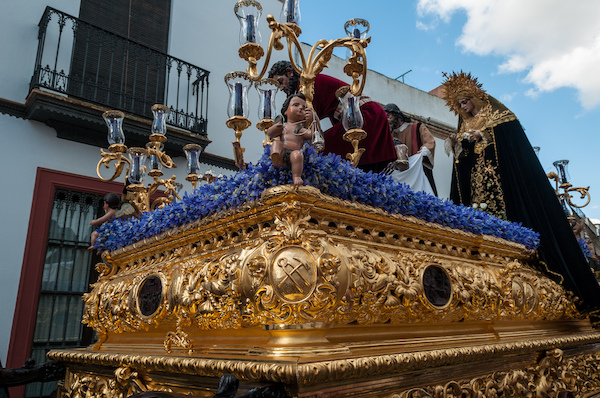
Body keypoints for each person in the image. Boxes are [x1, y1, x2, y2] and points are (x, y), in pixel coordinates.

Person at [441, 71, 600, 326]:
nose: (463, 108)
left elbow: (508, 144)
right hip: (478, 184)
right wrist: (458, 144)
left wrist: (485, 137)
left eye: (465, 101)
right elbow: (464, 159)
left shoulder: (497, 116)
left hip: (500, 184)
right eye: (458, 105)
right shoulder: (465, 124)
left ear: (475, 97)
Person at [268, 61, 396, 173]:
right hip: (359, 116)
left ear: (290, 72)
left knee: (319, 149)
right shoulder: (301, 89)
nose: (281, 88)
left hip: (363, 114)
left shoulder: (306, 86)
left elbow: (300, 122)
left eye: (280, 81)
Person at [383, 103, 438, 196]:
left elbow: (430, 142)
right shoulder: (389, 134)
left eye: (388, 115)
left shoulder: (416, 127)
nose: (387, 119)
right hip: (401, 175)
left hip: (417, 172)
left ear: (396, 115)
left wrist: (423, 152)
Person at [268, 93, 313, 185]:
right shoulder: (283, 126)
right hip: (282, 151)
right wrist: (275, 128)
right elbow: (270, 134)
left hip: (293, 153)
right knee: (276, 143)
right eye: (296, 105)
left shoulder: (300, 129)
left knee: (298, 155)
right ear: (286, 111)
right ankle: (277, 160)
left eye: (304, 108)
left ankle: (296, 176)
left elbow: (312, 135)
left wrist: (313, 120)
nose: (300, 108)